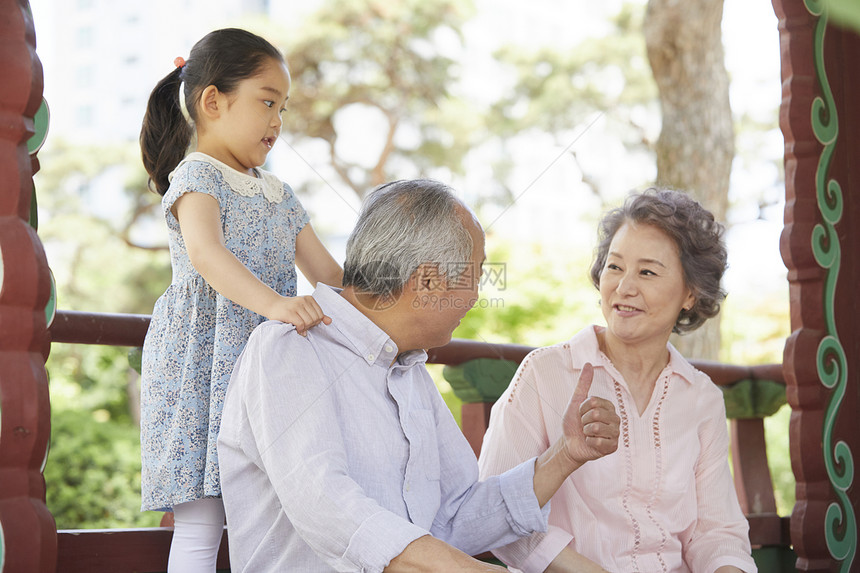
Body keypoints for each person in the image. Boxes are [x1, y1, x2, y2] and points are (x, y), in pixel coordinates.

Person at [217, 179, 621, 572]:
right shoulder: (289, 348)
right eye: (474, 276)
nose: (476, 296)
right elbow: (327, 505)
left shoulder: (408, 372)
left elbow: (454, 517)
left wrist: (564, 455)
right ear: (428, 281)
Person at [138, 28, 343, 573]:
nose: (277, 121)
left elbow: (327, 276)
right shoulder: (197, 175)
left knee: (281, 511)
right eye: (267, 103)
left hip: (267, 366)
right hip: (202, 367)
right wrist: (277, 304)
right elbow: (207, 256)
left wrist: (378, 311)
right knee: (203, 522)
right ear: (213, 101)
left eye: (283, 107)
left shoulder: (278, 192)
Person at [478, 189, 757, 573]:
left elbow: (716, 532)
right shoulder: (544, 374)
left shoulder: (701, 397)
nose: (624, 287)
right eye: (614, 267)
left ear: (690, 294)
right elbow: (496, 517)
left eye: (647, 271)